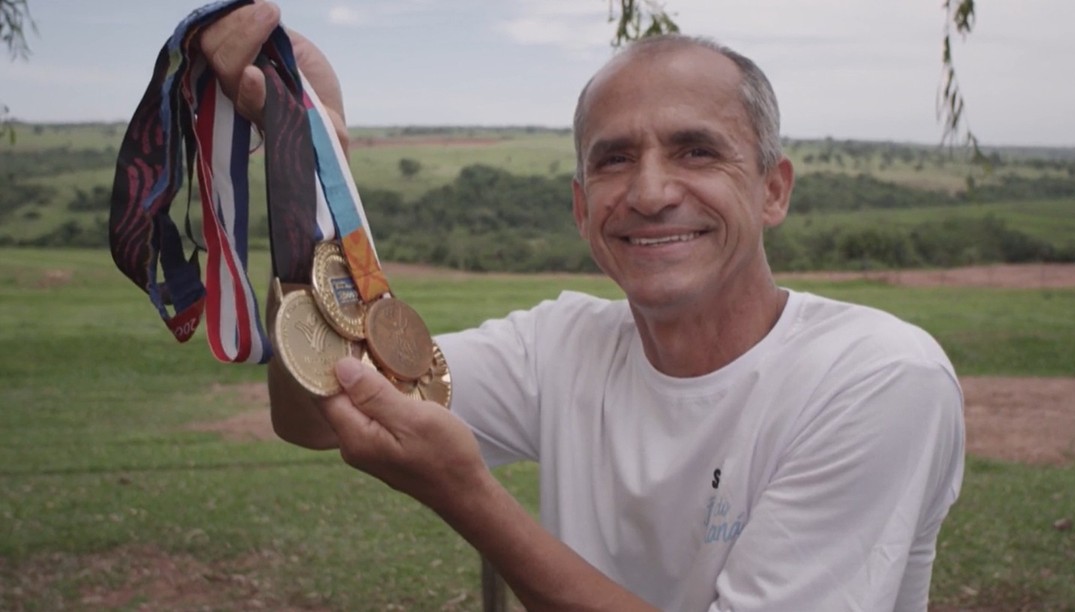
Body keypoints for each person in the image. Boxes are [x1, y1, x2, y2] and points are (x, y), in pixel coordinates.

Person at [201, 2, 965, 610]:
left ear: (773, 189)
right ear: (579, 204)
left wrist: (468, 497)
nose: (650, 192)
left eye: (697, 151)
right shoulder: (561, 345)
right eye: (614, 159)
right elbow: (313, 413)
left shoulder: (877, 378)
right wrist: (308, 168)